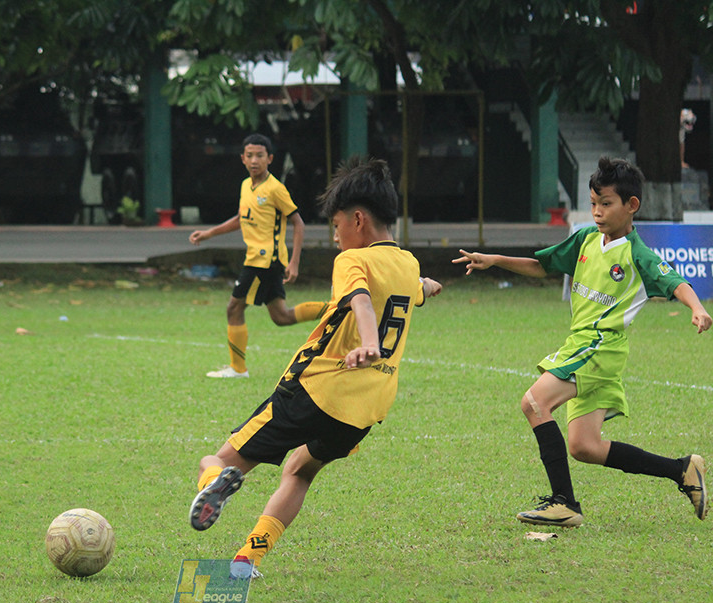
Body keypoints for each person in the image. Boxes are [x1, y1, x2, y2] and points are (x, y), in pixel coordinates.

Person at [188, 156, 443, 578]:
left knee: (216, 459)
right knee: (300, 471)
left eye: (337, 225)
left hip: (315, 389)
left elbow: (361, 300)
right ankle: (246, 561)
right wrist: (429, 286)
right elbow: (416, 288)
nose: (336, 236)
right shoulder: (408, 264)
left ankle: (214, 482)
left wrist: (368, 343)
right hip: (364, 409)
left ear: (358, 220)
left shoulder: (352, 261)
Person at [454, 156, 712, 527]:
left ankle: (564, 503)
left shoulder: (636, 254)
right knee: (584, 447)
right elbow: (543, 266)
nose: (597, 212)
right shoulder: (586, 239)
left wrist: (696, 308)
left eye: (606, 203)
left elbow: (675, 282)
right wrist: (494, 259)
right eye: (593, 203)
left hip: (599, 347)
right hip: (585, 346)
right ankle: (682, 470)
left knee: (534, 403)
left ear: (631, 205)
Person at [189, 133, 328, 378]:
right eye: (250, 155)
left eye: (260, 156)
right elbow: (241, 218)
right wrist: (209, 233)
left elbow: (298, 223)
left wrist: (294, 262)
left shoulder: (275, 189)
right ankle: (334, 310)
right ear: (243, 158)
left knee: (234, 308)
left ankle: (238, 369)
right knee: (281, 316)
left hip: (265, 261)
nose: (255, 160)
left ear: (270, 158)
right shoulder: (246, 185)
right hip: (257, 259)